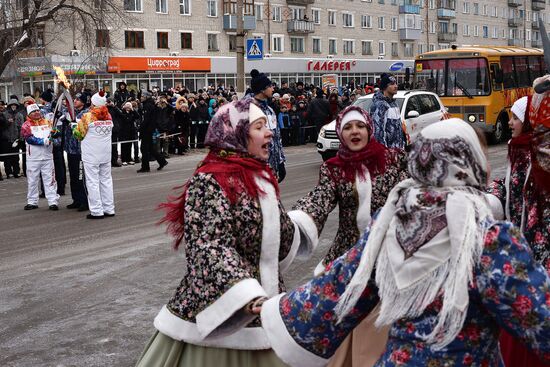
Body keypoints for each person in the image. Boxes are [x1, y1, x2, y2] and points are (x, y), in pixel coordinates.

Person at [258, 118, 550, 366]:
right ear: (469, 161)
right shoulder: (488, 239)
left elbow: (340, 287)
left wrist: (274, 308)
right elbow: (539, 318)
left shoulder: (390, 223)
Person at [135, 96, 309, 367]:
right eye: (259, 126)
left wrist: (310, 216)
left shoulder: (260, 177)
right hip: (223, 313)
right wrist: (246, 294)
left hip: (267, 309)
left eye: (267, 125)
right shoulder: (210, 179)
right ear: (236, 133)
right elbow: (209, 246)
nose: (269, 132)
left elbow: (278, 239)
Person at [289, 106, 408, 367]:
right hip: (347, 257)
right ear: (341, 134)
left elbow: (410, 195)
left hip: (387, 257)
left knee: (380, 329)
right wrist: (296, 221)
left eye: (360, 126)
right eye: (348, 128)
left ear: (369, 129)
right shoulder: (333, 169)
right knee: (344, 327)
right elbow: (319, 201)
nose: (355, 132)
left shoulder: (391, 160)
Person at [73, 91, 116, 219]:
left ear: (93, 103)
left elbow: (78, 134)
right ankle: (109, 208)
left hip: (91, 155)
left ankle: (97, 211)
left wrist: (73, 127)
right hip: (105, 154)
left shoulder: (87, 117)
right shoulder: (108, 116)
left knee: (92, 182)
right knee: (106, 181)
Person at [20, 103, 59, 210]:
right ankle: (32, 202)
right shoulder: (26, 125)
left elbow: (55, 133)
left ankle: (53, 201)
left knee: (50, 180)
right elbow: (29, 139)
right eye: (33, 112)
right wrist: (44, 141)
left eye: (37, 111)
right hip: (33, 158)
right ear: (29, 114)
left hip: (47, 157)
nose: (36, 113)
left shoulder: (48, 122)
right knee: (32, 180)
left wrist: (55, 133)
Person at [250, 69, 286, 182]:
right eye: (270, 86)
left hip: (273, 166)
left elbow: (277, 137)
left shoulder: (270, 110)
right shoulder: (250, 110)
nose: (273, 88)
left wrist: (281, 161)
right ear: (262, 89)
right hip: (257, 167)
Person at [63, 92, 89, 211]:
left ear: (83, 102)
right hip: (71, 149)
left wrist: (70, 122)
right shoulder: (71, 112)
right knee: (73, 176)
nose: (75, 101)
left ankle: (85, 201)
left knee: (80, 176)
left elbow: (79, 126)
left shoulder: (86, 113)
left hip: (80, 150)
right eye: (75, 99)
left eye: (78, 100)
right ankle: (76, 200)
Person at [370, 73, 407, 149]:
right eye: (392, 84)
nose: (396, 86)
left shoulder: (394, 104)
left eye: (396, 83)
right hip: (387, 154)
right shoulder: (380, 105)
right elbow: (378, 134)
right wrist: (385, 153)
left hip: (397, 152)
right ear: (385, 87)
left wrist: (402, 146)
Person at [137, 91, 168, 173]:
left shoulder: (148, 105)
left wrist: (140, 128)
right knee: (150, 148)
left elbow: (146, 119)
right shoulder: (147, 105)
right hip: (148, 129)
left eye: (143, 96)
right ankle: (162, 161)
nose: (141, 98)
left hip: (147, 130)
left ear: (146, 97)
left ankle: (145, 167)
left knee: (144, 149)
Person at [1, 98, 24, 178]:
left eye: (15, 105)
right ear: (9, 106)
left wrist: (20, 138)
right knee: (7, 157)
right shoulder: (4, 114)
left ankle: (16, 172)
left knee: (16, 157)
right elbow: (2, 126)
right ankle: (8, 172)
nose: (13, 106)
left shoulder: (19, 115)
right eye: (12, 105)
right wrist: (8, 122)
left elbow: (21, 128)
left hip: (15, 139)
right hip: (6, 139)